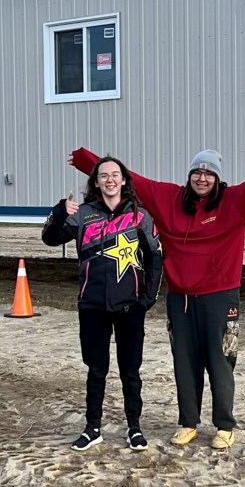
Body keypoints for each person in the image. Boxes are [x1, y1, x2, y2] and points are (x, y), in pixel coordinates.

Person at [69, 143, 245, 449]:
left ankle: (224, 425)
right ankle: (188, 422)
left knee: (220, 360)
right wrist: (87, 160)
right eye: (197, 172)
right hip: (180, 299)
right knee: (184, 362)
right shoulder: (170, 199)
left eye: (208, 173)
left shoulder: (234, 201)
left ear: (217, 179)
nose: (202, 178)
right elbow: (130, 179)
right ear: (190, 174)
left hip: (220, 298)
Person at [41, 156, 164, 452]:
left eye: (115, 175)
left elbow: (156, 258)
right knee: (96, 369)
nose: (110, 180)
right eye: (103, 175)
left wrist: (146, 299)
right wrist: (59, 212)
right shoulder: (82, 214)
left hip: (129, 307)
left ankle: (134, 427)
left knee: (130, 370)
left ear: (124, 181)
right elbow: (50, 238)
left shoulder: (140, 216)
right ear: (95, 182)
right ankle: (92, 427)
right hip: (92, 306)